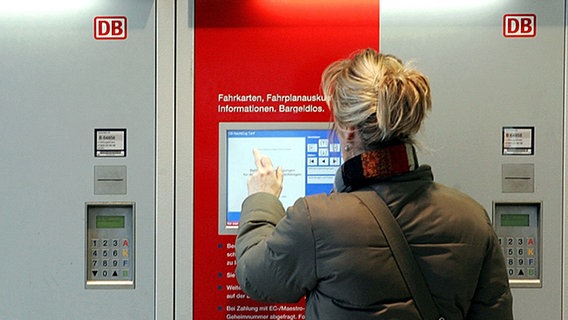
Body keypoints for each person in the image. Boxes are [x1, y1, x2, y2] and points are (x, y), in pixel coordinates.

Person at [235, 48, 513, 319]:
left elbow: (254, 277)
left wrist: (263, 198)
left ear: (349, 132)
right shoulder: (472, 217)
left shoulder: (315, 219)